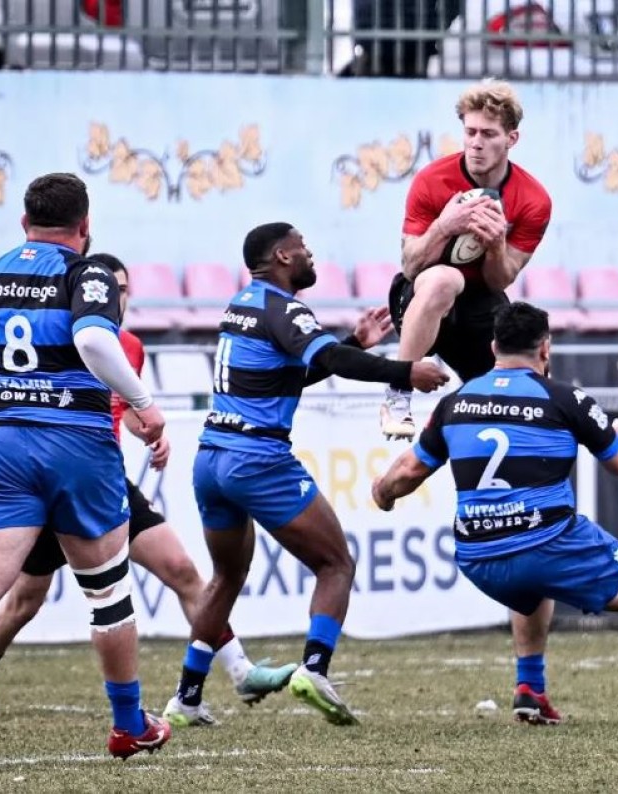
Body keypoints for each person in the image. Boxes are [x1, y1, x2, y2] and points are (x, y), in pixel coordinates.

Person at [0, 253, 308, 722]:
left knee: (181, 569)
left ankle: (240, 670)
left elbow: (122, 409)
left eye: (124, 290)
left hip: (105, 482)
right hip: (54, 479)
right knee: (26, 600)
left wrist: (151, 436)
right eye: (113, 290)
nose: (118, 298)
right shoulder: (65, 336)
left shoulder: (129, 347)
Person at [0, 173, 171, 759]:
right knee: (106, 593)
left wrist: (7, 380)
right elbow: (96, 342)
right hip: (75, 442)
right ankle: (128, 724)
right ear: (85, 225)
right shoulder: (86, 272)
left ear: (24, 223)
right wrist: (146, 405)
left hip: (0, 442)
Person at [164, 222, 449, 728]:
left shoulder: (241, 305)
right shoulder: (285, 309)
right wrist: (405, 371)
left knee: (226, 576)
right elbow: (330, 359)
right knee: (336, 564)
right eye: (302, 247)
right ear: (282, 256)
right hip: (256, 457)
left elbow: (287, 374)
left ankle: (186, 697)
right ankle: (314, 669)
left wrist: (354, 340)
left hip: (211, 459)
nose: (310, 254)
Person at [372, 301, 618, 725]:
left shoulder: (456, 402)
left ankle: (530, 689)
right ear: (545, 348)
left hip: (478, 557)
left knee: (531, 586)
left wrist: (382, 493)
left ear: (494, 346)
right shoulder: (565, 398)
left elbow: (407, 472)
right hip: (547, 544)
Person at [382, 78, 552, 441]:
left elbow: (499, 281)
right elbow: (410, 266)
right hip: (421, 294)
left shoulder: (533, 200)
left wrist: (496, 244)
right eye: (470, 131)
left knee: (521, 378)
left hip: (479, 298)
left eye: (488, 134)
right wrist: (445, 226)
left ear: (511, 138)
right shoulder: (431, 180)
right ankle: (397, 393)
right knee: (445, 279)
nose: (476, 143)